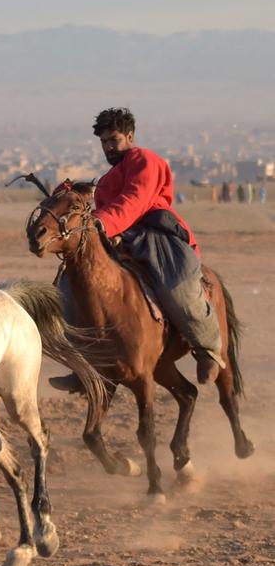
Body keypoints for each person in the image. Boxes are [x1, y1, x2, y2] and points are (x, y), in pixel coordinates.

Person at [85, 108, 222, 382]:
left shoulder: (145, 161)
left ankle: (208, 348)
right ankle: (87, 367)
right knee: (85, 285)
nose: (109, 147)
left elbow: (135, 200)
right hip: (120, 236)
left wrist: (102, 223)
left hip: (157, 236)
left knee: (178, 287)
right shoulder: (106, 181)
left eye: (114, 140)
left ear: (130, 136)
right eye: (104, 142)